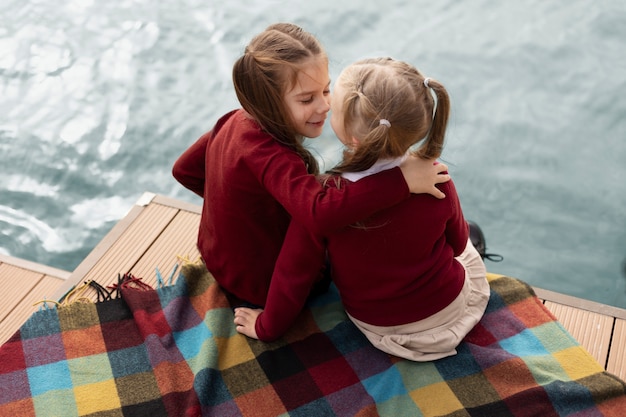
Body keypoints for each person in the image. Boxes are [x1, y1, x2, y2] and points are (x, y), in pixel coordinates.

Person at [172, 24, 450, 307]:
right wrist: (402, 181)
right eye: (307, 99)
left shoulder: (233, 120)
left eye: (326, 90)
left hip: (218, 259)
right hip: (262, 284)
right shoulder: (271, 156)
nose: (325, 105)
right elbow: (320, 214)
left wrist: (238, 214)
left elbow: (184, 170)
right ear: (268, 103)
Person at [234, 57, 490, 362]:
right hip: (448, 308)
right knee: (469, 243)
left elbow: (293, 274)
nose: (326, 106)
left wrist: (266, 327)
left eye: (333, 103)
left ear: (353, 138)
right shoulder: (435, 176)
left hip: (380, 326)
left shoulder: (327, 201)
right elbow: (458, 243)